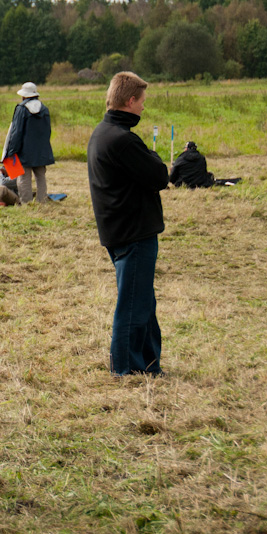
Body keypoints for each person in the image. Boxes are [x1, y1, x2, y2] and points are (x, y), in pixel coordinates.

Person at [86, 72, 168, 377]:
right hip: (133, 233)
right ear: (130, 101)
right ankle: (124, 370)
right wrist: (153, 156)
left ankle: (149, 365)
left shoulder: (102, 132)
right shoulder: (123, 140)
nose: (144, 108)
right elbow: (160, 175)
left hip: (119, 230)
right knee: (133, 305)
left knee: (142, 301)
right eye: (142, 102)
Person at [3, 82, 55, 203]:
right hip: (42, 150)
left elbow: (16, 132)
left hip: (25, 151)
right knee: (41, 177)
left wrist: (12, 151)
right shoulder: (44, 109)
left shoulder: (21, 109)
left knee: (23, 178)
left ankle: (27, 203)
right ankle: (42, 201)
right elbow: (48, 131)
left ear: (24, 95)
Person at [169, 141, 241, 188]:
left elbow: (172, 177)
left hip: (184, 183)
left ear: (186, 149)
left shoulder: (180, 158)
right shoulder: (201, 158)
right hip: (201, 183)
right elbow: (203, 172)